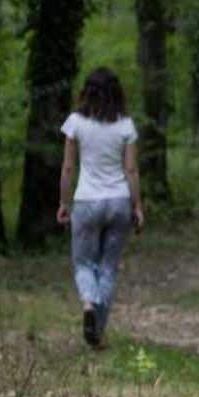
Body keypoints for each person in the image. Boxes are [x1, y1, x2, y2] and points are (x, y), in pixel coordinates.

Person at [57, 67, 144, 348]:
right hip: (118, 201)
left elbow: (69, 167)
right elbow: (131, 170)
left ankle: (88, 304)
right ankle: (98, 334)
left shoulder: (75, 123)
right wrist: (137, 205)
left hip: (86, 201)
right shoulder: (125, 125)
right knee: (108, 267)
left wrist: (63, 203)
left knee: (84, 263)